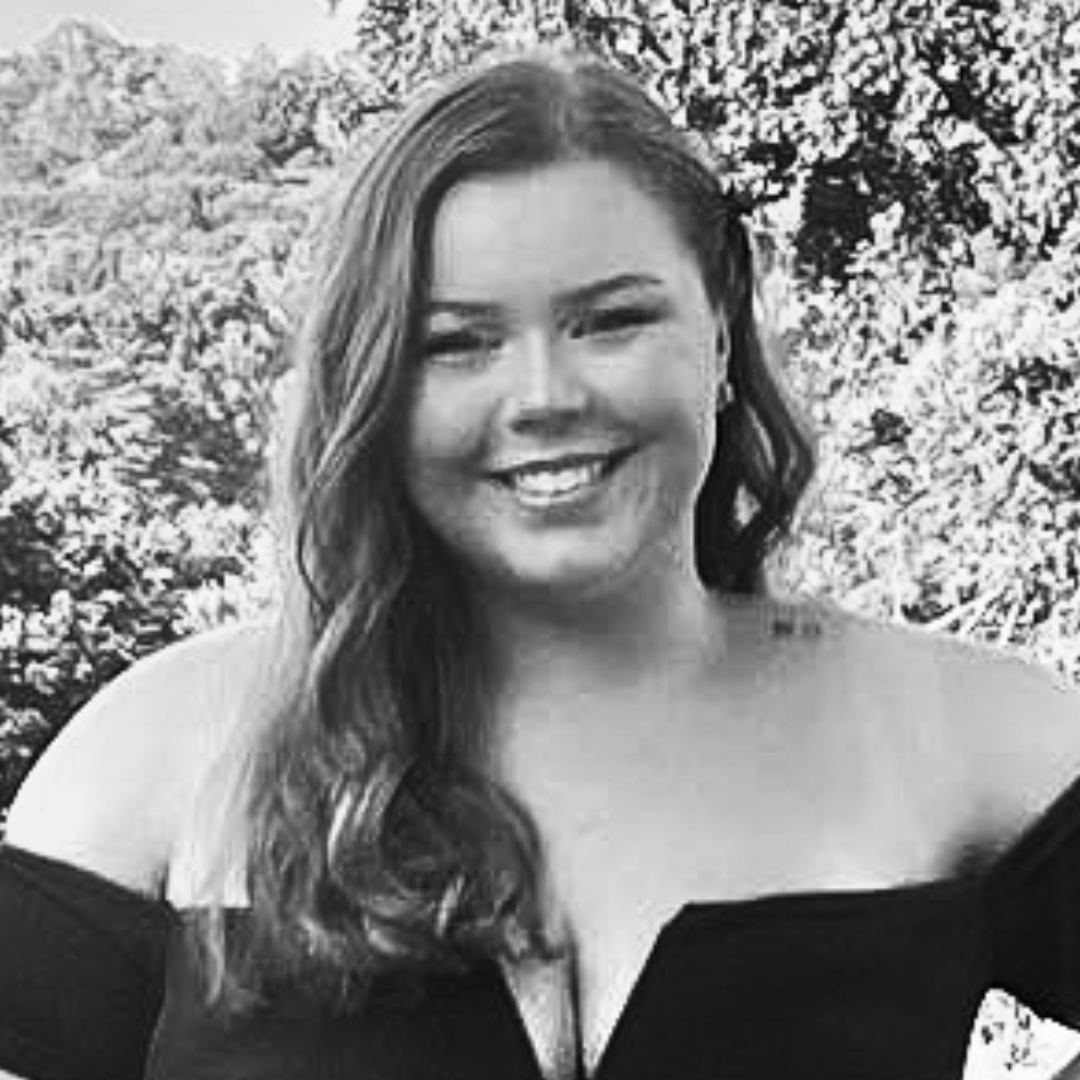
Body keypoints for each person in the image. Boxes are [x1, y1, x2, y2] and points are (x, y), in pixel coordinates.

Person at [3, 41, 1080, 1080]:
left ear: (719, 333)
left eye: (610, 321)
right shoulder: (155, 761)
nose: (545, 398)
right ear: (370, 383)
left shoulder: (956, 733)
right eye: (456, 343)